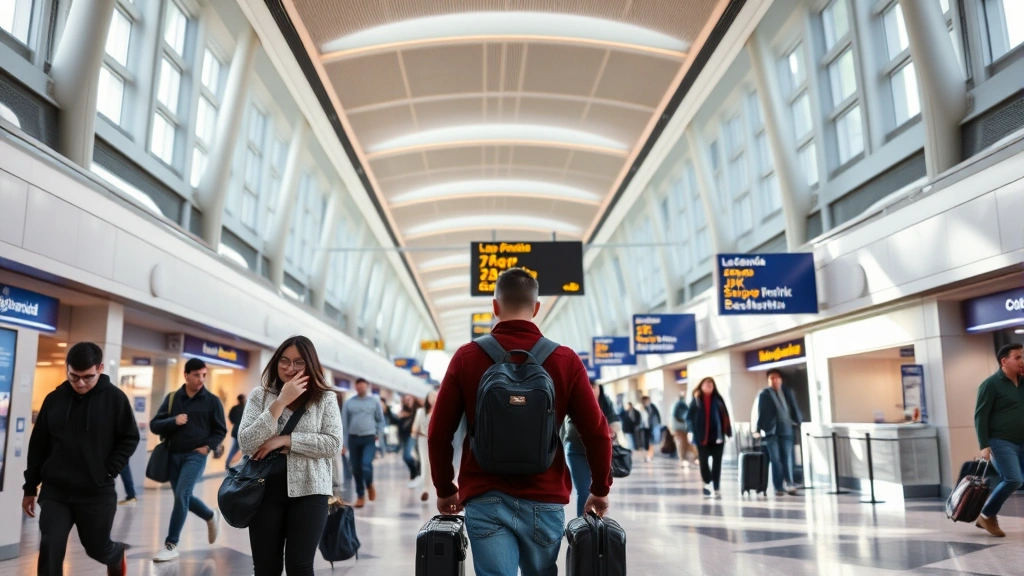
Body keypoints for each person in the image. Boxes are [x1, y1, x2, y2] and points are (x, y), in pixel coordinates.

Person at [428, 268, 612, 576]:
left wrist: (445, 487)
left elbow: (438, 433)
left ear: (495, 306)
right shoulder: (566, 360)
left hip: (484, 494)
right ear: (536, 308)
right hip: (545, 494)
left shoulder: (466, 357)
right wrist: (600, 488)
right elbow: (596, 431)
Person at [23, 342, 139, 576]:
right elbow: (38, 445)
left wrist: (109, 469)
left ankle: (115, 555)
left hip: (96, 491)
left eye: (88, 377)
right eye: (74, 376)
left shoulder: (115, 399)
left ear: (100, 368)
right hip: (56, 491)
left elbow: (129, 438)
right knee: (50, 547)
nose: (80, 383)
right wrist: (30, 488)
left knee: (97, 549)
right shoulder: (54, 399)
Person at [238, 335, 343, 575]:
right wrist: (281, 402)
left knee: (300, 566)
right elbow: (246, 442)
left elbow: (333, 444)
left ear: (310, 365)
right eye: (284, 361)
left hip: (311, 490)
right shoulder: (260, 395)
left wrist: (286, 440)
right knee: (266, 568)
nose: (290, 368)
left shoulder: (324, 398)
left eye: (299, 362)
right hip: (264, 491)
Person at [150, 358, 228, 562]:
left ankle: (171, 544)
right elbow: (155, 425)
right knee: (181, 497)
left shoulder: (212, 401)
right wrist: (173, 421)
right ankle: (210, 515)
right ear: (186, 375)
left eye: (204, 375)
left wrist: (207, 447)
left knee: (183, 493)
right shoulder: (173, 398)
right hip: (173, 455)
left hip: (195, 456)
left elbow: (221, 430)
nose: (201, 379)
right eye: (196, 375)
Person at [974, 343, 1024, 537]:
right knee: (1013, 479)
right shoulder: (990, 384)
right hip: (1001, 441)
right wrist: (984, 445)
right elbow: (981, 416)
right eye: (1018, 357)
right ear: (1004, 361)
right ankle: (986, 515)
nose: (1022, 361)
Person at [564, 379, 617, 518]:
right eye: (589, 386)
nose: (592, 390)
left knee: (601, 490)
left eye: (594, 386)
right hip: (576, 451)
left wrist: (611, 431)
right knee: (584, 490)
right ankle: (583, 527)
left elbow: (615, 421)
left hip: (599, 451)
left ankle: (597, 523)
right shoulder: (575, 398)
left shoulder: (606, 403)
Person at [755, 369, 804, 496]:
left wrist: (798, 421)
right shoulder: (764, 394)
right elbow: (760, 412)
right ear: (768, 380)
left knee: (787, 458)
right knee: (776, 459)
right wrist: (758, 429)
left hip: (787, 430)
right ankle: (778, 486)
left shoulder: (787, 392)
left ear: (781, 380)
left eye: (777, 378)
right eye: (772, 378)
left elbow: (794, 407)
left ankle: (790, 483)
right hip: (771, 432)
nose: (775, 380)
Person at [341, 378, 385, 508]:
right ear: (356, 388)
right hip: (353, 439)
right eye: (358, 387)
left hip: (369, 438)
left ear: (367, 387)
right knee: (355, 468)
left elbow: (380, 420)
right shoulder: (349, 403)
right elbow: (344, 424)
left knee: (366, 464)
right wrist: (343, 443)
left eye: (363, 386)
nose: (360, 388)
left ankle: (369, 484)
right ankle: (360, 496)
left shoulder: (374, 402)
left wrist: (379, 434)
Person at [686, 377, 732, 500]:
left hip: (717, 437)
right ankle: (707, 480)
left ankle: (716, 487)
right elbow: (689, 417)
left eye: (711, 385)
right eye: (706, 384)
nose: (709, 386)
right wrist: (690, 430)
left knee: (717, 464)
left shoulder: (718, 399)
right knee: (704, 462)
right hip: (702, 437)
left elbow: (725, 415)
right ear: (701, 386)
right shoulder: (696, 400)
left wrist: (728, 431)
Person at [413, 387, 439, 502]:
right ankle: (425, 489)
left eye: (435, 396)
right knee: (425, 464)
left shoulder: (442, 410)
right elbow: (415, 427)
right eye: (431, 397)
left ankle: (440, 488)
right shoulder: (421, 412)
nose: (433, 399)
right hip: (423, 440)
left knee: (438, 464)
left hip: (437, 441)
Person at [398, 395, 420, 487]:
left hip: (414, 436)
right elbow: (398, 424)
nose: (407, 401)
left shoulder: (418, 410)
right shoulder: (403, 411)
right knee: (405, 457)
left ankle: (416, 474)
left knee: (408, 455)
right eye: (405, 399)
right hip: (404, 436)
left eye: (409, 399)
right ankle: (415, 473)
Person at [671, 391, 697, 468]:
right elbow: (685, 415)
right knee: (683, 444)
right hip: (681, 428)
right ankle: (684, 459)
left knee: (683, 444)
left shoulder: (678, 404)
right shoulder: (680, 404)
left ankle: (684, 459)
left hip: (680, 428)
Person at [226, 394, 246, 466]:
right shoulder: (245, 408)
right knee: (237, 448)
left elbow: (231, 418)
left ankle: (229, 463)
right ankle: (228, 463)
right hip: (243, 431)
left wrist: (236, 422)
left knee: (235, 448)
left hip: (235, 430)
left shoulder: (234, 408)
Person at [642, 396, 662, 463]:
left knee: (653, 441)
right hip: (648, 428)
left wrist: (659, 422)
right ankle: (649, 456)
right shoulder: (643, 408)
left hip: (654, 425)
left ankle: (650, 455)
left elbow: (657, 414)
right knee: (650, 442)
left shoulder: (652, 406)